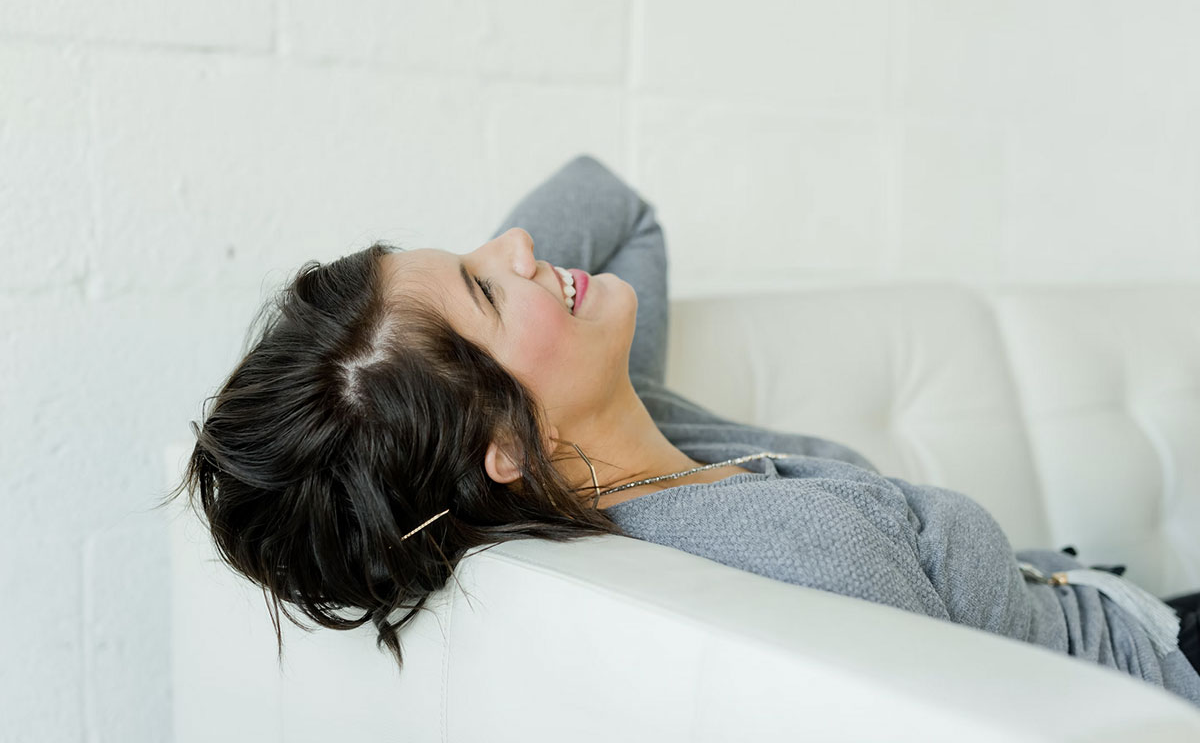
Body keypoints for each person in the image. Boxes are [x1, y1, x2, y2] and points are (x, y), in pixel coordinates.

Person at [165, 154, 1200, 708]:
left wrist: (447, 323)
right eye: (486, 282)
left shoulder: (619, 427)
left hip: (1127, 601)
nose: (523, 242)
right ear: (500, 450)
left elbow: (612, 204)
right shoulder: (790, 556)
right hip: (1153, 672)